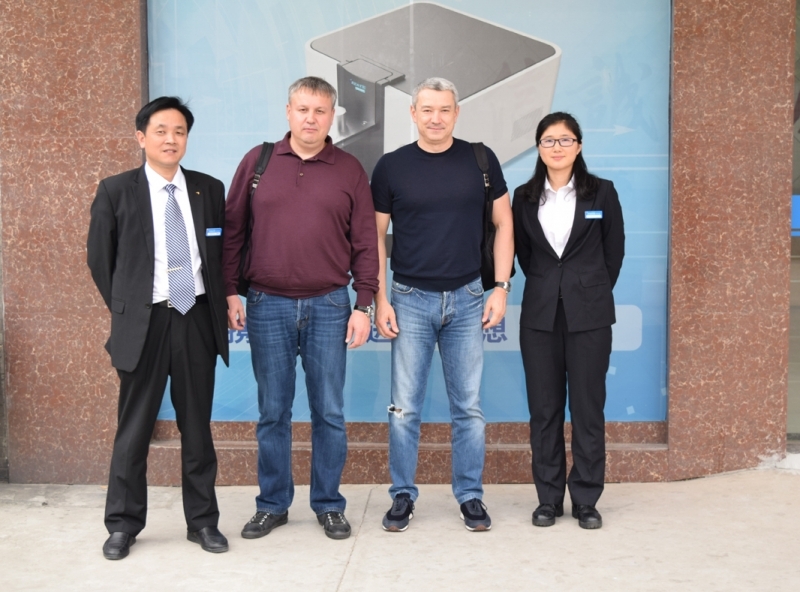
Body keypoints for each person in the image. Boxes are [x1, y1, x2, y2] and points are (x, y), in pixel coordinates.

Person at [223, 76, 379, 541]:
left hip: (330, 305)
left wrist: (364, 303)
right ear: (288, 112)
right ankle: (272, 504)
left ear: (332, 117)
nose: (311, 119)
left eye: (320, 111)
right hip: (266, 303)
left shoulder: (349, 169)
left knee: (328, 411)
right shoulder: (258, 161)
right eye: (303, 109)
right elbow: (233, 231)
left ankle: (329, 504)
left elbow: (365, 242)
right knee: (273, 411)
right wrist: (230, 291)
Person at [87, 97, 230, 559]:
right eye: (161, 131)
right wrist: (128, 309)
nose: (171, 140)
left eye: (180, 132)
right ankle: (123, 525)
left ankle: (203, 522)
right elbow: (100, 260)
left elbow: (220, 256)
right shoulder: (116, 190)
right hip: (143, 323)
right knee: (134, 429)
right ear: (141, 137)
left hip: (195, 319)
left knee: (197, 428)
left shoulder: (209, 189)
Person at [371, 77, 514, 532]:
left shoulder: (481, 159)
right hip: (409, 300)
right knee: (404, 408)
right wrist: (379, 298)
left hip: (469, 298)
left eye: (445, 109)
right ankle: (402, 495)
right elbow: (374, 237)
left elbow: (504, 222)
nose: (436, 118)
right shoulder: (391, 166)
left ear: (457, 113)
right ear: (413, 113)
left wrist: (501, 287)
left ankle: (470, 496)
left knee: (468, 407)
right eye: (427, 109)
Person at [512, 112, 624, 530]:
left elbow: (614, 252)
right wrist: (552, 287)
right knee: (544, 410)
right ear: (538, 148)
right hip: (540, 316)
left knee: (588, 409)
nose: (556, 147)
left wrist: (586, 289)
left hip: (590, 315)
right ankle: (548, 499)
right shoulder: (524, 197)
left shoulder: (602, 192)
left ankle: (586, 499)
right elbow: (526, 256)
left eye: (564, 140)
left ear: (579, 146)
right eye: (548, 140)